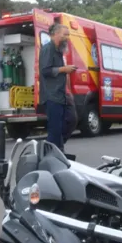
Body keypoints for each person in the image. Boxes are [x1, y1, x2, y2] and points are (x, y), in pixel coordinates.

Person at [39, 23, 77, 152]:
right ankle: (51, 152)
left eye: (68, 35)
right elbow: (45, 70)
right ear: (55, 34)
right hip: (52, 95)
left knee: (72, 120)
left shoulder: (59, 51)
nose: (67, 37)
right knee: (55, 128)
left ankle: (56, 149)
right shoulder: (47, 49)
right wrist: (63, 69)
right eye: (65, 35)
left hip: (62, 94)